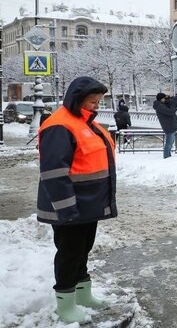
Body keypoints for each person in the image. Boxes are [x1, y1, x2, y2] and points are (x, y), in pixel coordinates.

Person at [37, 76, 116, 323]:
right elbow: (54, 173)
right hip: (69, 208)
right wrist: (66, 209)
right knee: (69, 253)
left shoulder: (86, 123)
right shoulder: (59, 126)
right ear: (77, 99)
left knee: (83, 251)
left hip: (87, 206)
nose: (97, 105)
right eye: (92, 101)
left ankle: (83, 295)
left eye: (98, 101)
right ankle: (66, 303)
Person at [153, 92, 177, 158]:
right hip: (169, 126)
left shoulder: (161, 105)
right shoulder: (160, 106)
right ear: (161, 99)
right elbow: (170, 112)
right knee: (169, 143)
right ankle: (166, 156)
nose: (165, 100)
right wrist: (174, 107)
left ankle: (168, 155)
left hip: (169, 125)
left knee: (170, 142)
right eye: (164, 98)